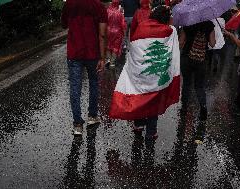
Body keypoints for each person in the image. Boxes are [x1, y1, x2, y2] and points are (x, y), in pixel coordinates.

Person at [109, 5, 180, 141]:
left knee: (139, 94)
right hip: (156, 73)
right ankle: (151, 132)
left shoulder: (142, 27)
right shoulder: (170, 31)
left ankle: (138, 125)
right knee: (154, 98)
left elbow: (134, 47)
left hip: (140, 71)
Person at [61, 0, 108, 136]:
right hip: (92, 53)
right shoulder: (98, 6)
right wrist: (102, 57)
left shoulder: (69, 4)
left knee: (75, 87)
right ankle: (92, 116)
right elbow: (102, 34)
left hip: (74, 53)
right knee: (94, 83)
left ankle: (77, 125)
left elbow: (64, 24)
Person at [179, 21, 216, 121]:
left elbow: (181, 42)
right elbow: (212, 44)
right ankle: (203, 108)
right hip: (202, 60)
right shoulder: (209, 25)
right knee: (199, 86)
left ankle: (184, 108)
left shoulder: (187, 23)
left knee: (187, 84)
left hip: (187, 57)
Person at [107, 0, 126, 68]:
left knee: (108, 46)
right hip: (117, 32)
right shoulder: (119, 13)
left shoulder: (107, 11)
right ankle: (112, 62)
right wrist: (124, 34)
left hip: (108, 31)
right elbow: (123, 25)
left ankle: (108, 59)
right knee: (115, 47)